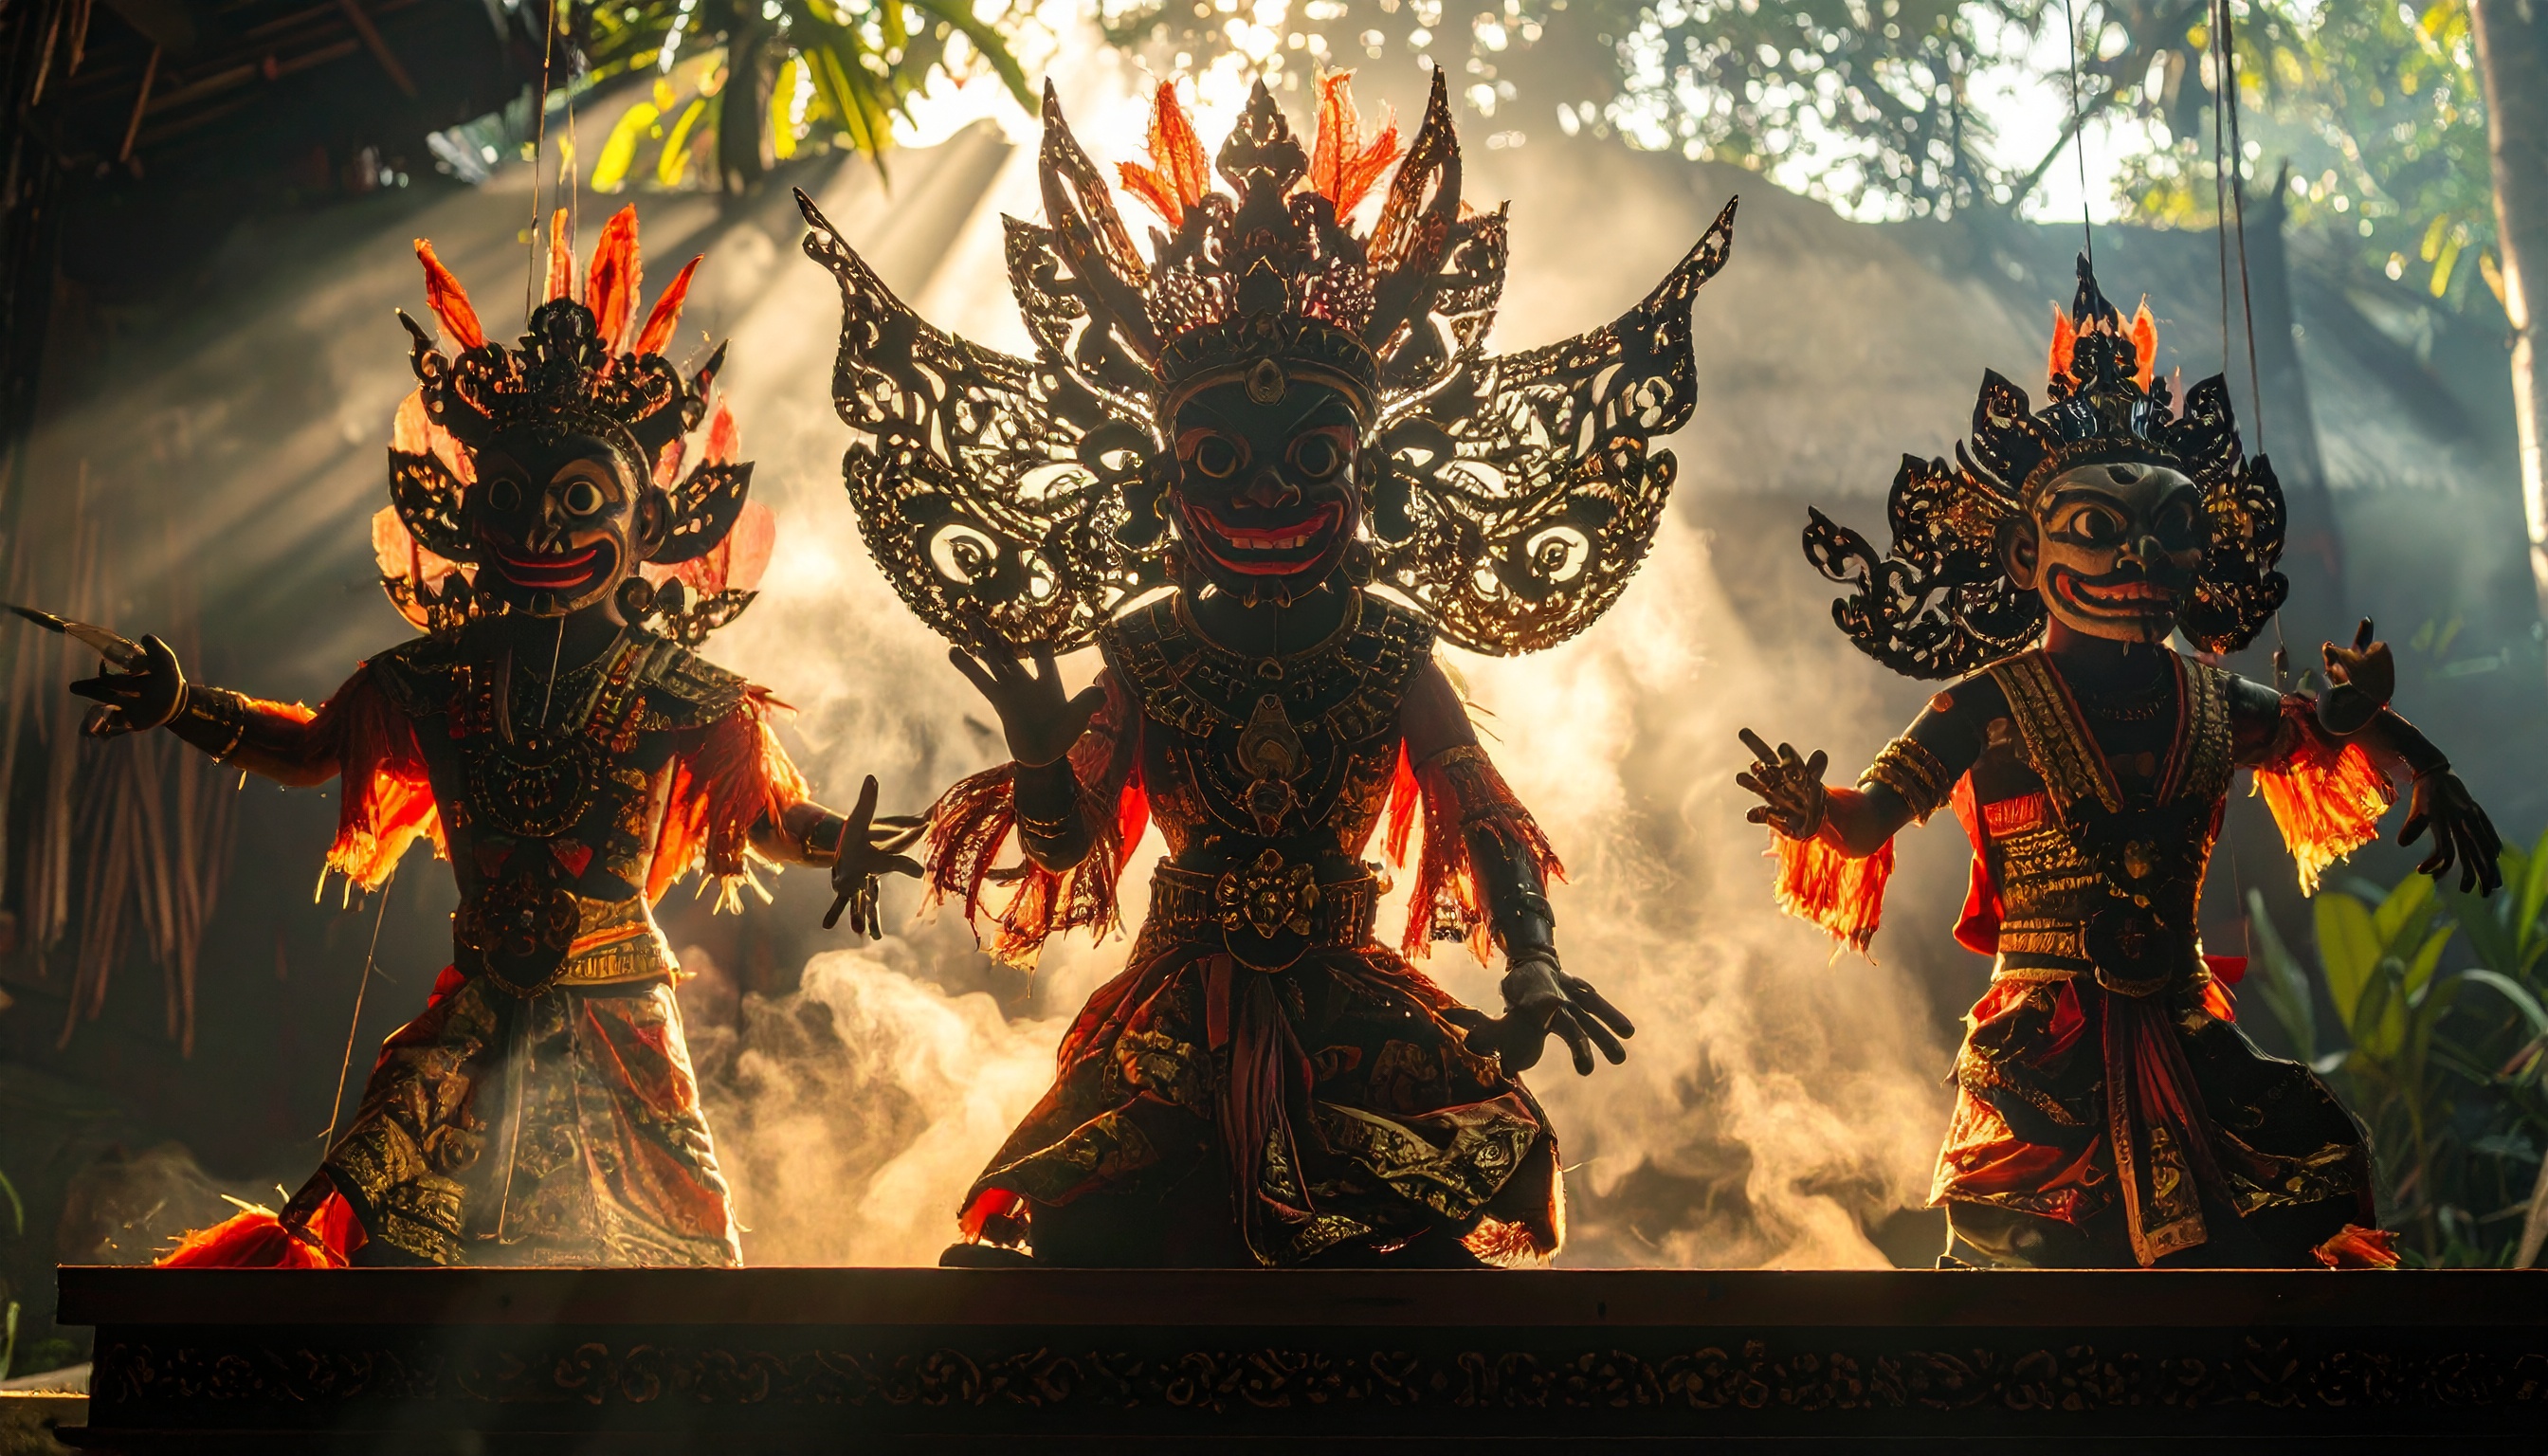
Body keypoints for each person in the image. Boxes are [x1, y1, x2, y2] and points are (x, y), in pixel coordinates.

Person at [798, 72, 1737, 1265]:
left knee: (1433, 1225)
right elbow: (1062, 847)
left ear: (1369, 476)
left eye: (1310, 458)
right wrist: (1043, 765)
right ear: (1164, 482)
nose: (1268, 492)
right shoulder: (1143, 652)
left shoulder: (1393, 649)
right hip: (1176, 1012)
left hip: (1354, 1004)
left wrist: (1537, 962)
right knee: (1103, 1246)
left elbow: (1483, 815)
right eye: (1220, 460)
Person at [70, 208, 920, 1267]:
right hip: (473, 1016)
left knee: (651, 1277)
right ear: (472, 523)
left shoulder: (686, 694)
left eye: (578, 502)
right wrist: (180, 704)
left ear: (646, 530)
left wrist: (839, 839)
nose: (543, 533)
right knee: (389, 1260)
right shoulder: (427, 677)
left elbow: (765, 815)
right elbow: (305, 753)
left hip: (617, 1021)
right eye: (512, 502)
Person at [1737, 258, 2502, 1269]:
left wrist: (2414, 751)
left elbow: (2318, 732)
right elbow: (1873, 815)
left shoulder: (2213, 697)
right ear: (2024, 555)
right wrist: (1812, 812)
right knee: (2029, 1235)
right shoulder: (1987, 703)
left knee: (2321, 1165)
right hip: (2043, 1035)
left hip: (2183, 1018)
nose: (2140, 560)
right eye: (2100, 531)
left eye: (2170, 530)